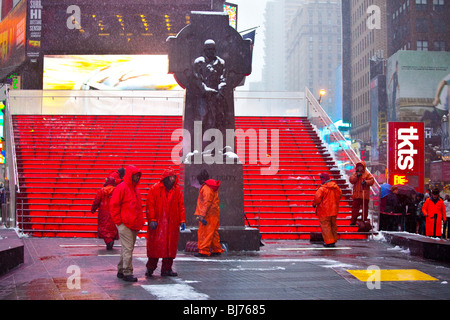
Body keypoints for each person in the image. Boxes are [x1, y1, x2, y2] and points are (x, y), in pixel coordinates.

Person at [145, 168, 186, 277]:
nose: (172, 180)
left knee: (170, 248)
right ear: (166, 178)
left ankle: (167, 268)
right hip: (158, 224)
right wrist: (152, 219)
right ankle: (151, 267)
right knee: (156, 248)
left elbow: (180, 206)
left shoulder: (176, 190)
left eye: (174, 177)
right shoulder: (155, 189)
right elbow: (150, 205)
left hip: (172, 224)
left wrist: (182, 220)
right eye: (171, 177)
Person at [110, 165, 145, 282]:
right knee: (128, 248)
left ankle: (121, 270)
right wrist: (119, 223)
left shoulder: (134, 189)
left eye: (138, 175)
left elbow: (137, 208)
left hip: (132, 223)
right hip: (125, 223)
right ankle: (127, 272)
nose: (137, 177)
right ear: (130, 175)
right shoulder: (122, 188)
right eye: (135, 175)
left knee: (127, 248)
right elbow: (114, 206)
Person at [194, 169, 224, 257]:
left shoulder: (206, 188)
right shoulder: (211, 187)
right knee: (213, 232)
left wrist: (202, 215)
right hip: (213, 213)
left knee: (205, 232)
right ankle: (216, 249)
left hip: (207, 214)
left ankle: (203, 250)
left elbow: (206, 202)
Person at [312, 173, 342, 247]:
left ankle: (329, 241)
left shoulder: (322, 189)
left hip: (324, 211)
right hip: (334, 210)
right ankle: (334, 239)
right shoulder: (336, 187)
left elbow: (317, 198)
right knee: (333, 226)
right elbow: (339, 195)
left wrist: (314, 204)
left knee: (326, 227)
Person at [91, 176, 119, 250]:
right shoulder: (117, 191)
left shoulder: (101, 191)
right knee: (113, 228)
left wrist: (93, 209)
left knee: (104, 228)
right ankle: (111, 240)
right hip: (114, 212)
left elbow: (96, 201)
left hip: (104, 213)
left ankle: (108, 241)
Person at [349, 161, 374, 226]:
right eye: (359, 166)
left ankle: (364, 220)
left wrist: (366, 182)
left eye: (361, 166)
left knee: (364, 209)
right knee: (355, 209)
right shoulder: (355, 174)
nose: (360, 168)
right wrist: (356, 176)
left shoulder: (367, 174)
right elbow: (351, 180)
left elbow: (372, 181)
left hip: (364, 194)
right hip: (356, 195)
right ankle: (353, 220)